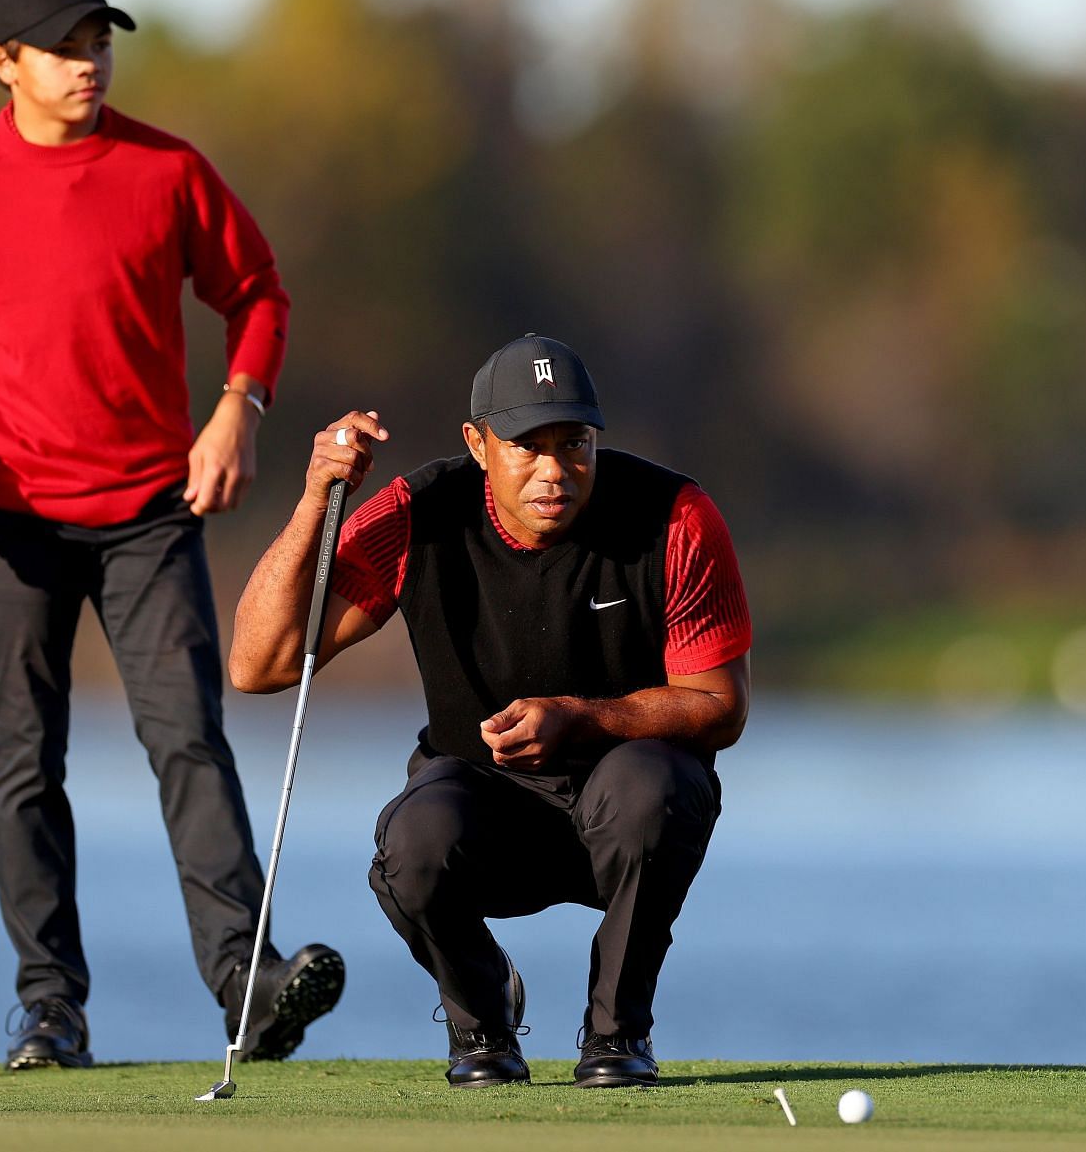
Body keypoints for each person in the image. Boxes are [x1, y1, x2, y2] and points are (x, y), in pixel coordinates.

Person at [0, 0, 342, 1070]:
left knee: (187, 739)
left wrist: (237, 410)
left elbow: (258, 290)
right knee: (25, 760)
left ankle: (248, 984)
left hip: (148, 511)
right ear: (5, 63)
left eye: (99, 41)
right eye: (66, 46)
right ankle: (50, 1010)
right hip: (9, 514)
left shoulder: (167, 170)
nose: (90, 63)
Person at [230, 334, 752, 1088]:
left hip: (625, 809)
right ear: (478, 443)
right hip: (483, 807)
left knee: (651, 791)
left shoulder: (674, 515)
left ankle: (617, 1036)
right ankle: (482, 1024)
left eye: (573, 443)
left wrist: (583, 718)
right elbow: (258, 663)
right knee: (413, 843)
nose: (554, 471)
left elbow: (721, 705)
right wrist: (317, 498)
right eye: (525, 446)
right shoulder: (421, 513)